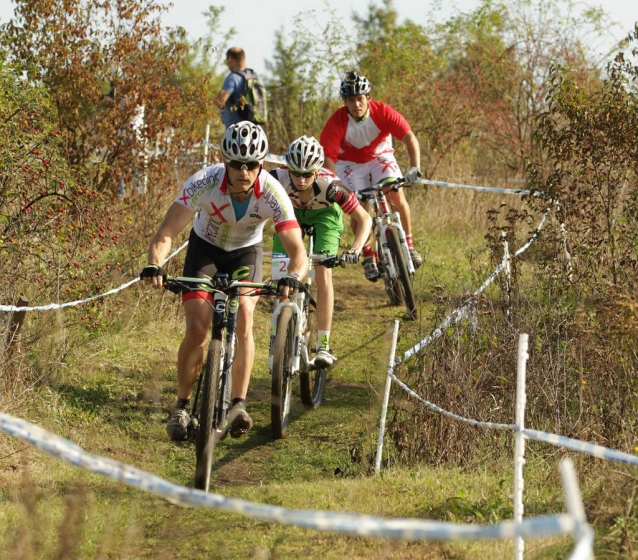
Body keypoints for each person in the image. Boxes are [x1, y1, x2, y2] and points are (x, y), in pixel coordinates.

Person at [140, 121, 308, 442]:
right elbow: (166, 232)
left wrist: (292, 276)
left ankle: (239, 404)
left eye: (252, 165)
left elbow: (297, 250)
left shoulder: (272, 194)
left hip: (247, 254)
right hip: (205, 249)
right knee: (197, 327)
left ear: (262, 166)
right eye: (236, 164)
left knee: (245, 315)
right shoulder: (204, 182)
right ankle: (183, 405)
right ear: (224, 161)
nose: (244, 172)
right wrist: (155, 264)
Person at [270, 135, 372, 367]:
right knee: (280, 276)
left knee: (323, 272)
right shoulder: (276, 178)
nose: (301, 179)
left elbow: (365, 219)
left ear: (317, 172)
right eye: (296, 173)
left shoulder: (332, 187)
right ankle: (279, 331)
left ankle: (323, 345)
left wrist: (355, 248)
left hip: (325, 217)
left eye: (307, 174)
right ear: (288, 168)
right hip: (291, 215)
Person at [319, 71, 424, 282]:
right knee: (358, 204)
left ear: (368, 98)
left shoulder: (382, 111)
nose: (356, 104)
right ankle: (368, 254)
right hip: (349, 164)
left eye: (360, 99)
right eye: (351, 100)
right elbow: (328, 158)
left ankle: (409, 246)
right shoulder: (337, 121)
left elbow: (409, 138)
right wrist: (335, 181)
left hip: (379, 156)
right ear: (345, 102)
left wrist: (414, 167)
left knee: (396, 194)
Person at [214, 47, 255, 129]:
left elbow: (219, 102)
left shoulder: (233, 78)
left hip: (236, 132)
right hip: (254, 131)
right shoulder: (253, 76)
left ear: (230, 59)